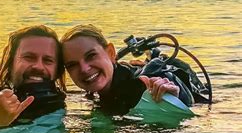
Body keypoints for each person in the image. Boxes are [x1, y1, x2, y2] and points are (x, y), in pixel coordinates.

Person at [60, 24, 193, 115]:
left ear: (110, 53)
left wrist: (173, 98)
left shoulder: (143, 86)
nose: (84, 69)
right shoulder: (97, 94)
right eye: (72, 65)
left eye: (91, 56)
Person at [0, 25, 66, 130]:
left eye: (48, 60)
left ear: (57, 70)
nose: (38, 66)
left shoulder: (71, 104)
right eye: (29, 57)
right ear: (11, 63)